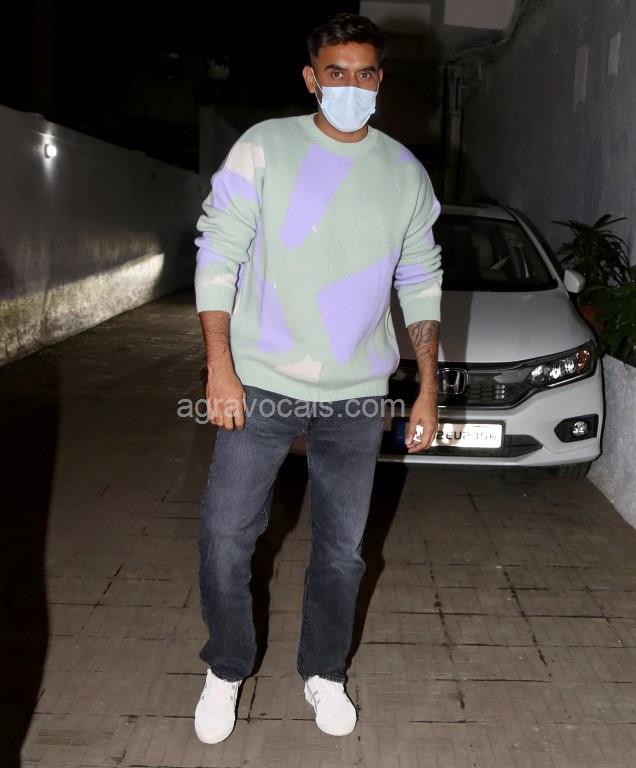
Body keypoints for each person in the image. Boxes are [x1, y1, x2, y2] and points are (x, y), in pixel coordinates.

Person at [192, 12, 443, 744]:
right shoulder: (264, 147)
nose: (351, 87)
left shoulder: (405, 173)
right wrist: (219, 367)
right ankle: (227, 667)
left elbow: (421, 279)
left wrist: (428, 388)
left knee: (341, 550)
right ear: (312, 78)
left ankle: (324, 672)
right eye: (337, 73)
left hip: (356, 397)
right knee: (225, 538)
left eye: (364, 74)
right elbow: (218, 254)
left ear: (380, 81)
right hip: (260, 382)